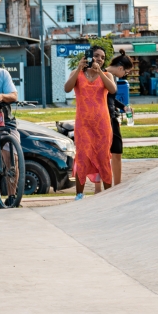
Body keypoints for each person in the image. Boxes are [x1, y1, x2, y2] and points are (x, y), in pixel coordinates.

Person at [64, 46, 116, 200]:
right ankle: (79, 195)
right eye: (96, 56)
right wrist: (79, 68)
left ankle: (108, 195)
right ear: (89, 57)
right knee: (83, 157)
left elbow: (112, 90)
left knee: (103, 157)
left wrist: (99, 71)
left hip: (102, 125)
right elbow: (67, 88)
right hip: (83, 125)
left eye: (102, 57)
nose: (99, 59)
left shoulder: (107, 75)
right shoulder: (77, 74)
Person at [105, 50, 134, 186]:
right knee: (116, 152)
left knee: (112, 152)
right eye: (126, 72)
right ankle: (116, 186)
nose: (125, 75)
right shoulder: (106, 75)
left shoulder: (107, 75)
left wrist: (124, 107)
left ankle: (112, 185)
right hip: (108, 117)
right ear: (121, 68)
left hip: (109, 115)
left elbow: (110, 98)